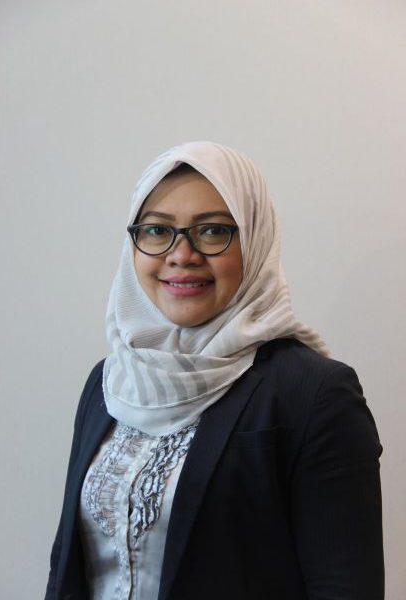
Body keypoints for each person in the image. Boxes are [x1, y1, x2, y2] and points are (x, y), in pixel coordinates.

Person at [45, 141, 384, 600]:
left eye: (212, 231)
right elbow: (67, 566)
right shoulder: (110, 382)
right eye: (157, 230)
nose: (181, 254)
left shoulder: (313, 395)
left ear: (255, 240)